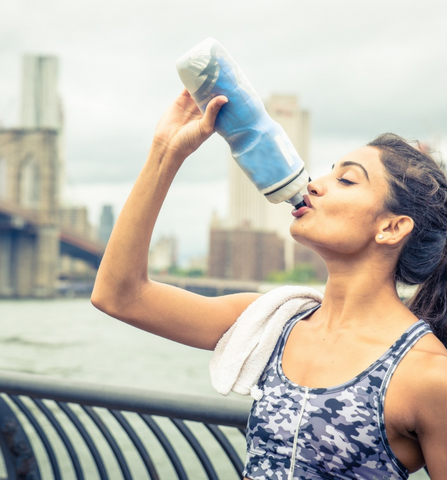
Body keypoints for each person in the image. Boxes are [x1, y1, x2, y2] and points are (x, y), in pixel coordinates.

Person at [91, 89, 447, 479]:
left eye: (346, 180)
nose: (315, 183)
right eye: (329, 171)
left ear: (392, 227)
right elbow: (120, 296)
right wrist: (165, 152)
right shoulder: (276, 324)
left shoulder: (428, 375)